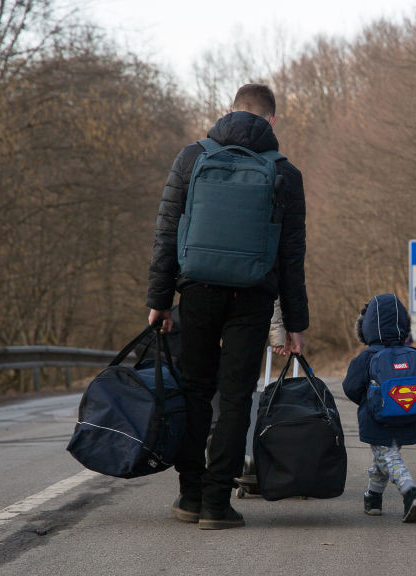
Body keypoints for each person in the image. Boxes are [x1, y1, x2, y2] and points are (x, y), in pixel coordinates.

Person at [146, 83, 308, 530]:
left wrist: (159, 301)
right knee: (235, 396)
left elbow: (165, 235)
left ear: (229, 111)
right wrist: (296, 323)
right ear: (272, 121)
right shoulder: (284, 173)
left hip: (195, 290)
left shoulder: (192, 157)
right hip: (254, 295)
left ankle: (189, 495)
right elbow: (292, 257)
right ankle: (218, 503)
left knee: (195, 390)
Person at [342, 294, 416, 523]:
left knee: (387, 455)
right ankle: (373, 497)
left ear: (367, 327)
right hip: (408, 416)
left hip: (377, 419)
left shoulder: (367, 357)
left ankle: (410, 492)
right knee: (386, 456)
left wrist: (370, 402)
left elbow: (350, 387)